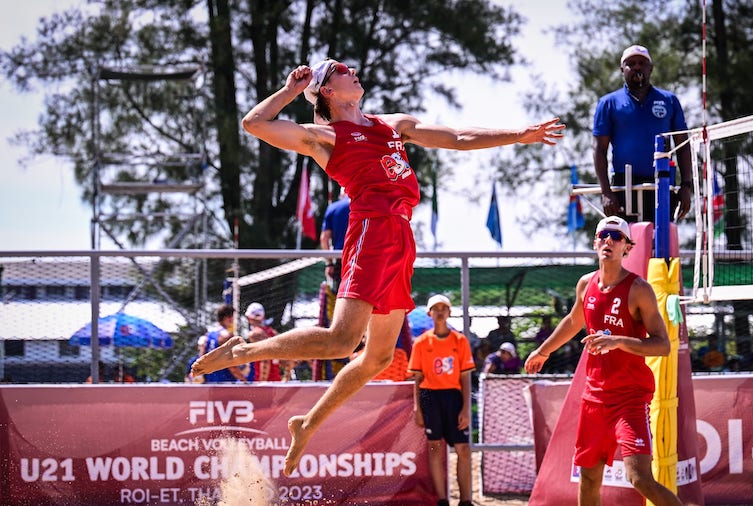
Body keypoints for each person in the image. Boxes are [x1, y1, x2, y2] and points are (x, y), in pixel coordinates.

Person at [191, 58, 565, 476]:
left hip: (401, 237)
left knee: (379, 356)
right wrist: (292, 90)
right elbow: (254, 124)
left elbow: (458, 137)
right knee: (340, 341)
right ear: (327, 91)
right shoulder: (326, 136)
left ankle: (307, 423)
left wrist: (521, 135)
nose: (352, 70)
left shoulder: (392, 124)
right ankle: (242, 350)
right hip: (371, 229)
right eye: (340, 70)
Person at [524, 216, 683, 506]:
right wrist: (543, 351)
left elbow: (662, 346)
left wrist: (619, 340)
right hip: (594, 398)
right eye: (603, 235)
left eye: (616, 236)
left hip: (629, 399)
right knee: (588, 478)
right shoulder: (586, 284)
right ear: (596, 242)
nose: (608, 240)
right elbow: (573, 322)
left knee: (640, 479)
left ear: (627, 248)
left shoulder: (639, 289)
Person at [593, 44, 692, 223]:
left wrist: (686, 185)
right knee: (625, 245)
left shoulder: (669, 101)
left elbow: (683, 146)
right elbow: (600, 149)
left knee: (660, 245)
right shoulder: (608, 103)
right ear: (622, 69)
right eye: (631, 63)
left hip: (662, 184)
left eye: (642, 63)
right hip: (622, 187)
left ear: (651, 68)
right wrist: (606, 192)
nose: (637, 67)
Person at [408, 294, 476, 506]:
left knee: (463, 449)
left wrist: (466, 408)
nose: (439, 311)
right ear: (429, 313)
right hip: (431, 397)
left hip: (453, 397)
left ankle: (466, 500)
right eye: (435, 308)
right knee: (435, 447)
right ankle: (442, 500)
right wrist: (418, 408)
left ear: (449, 312)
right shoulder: (420, 343)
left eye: (443, 308)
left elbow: (465, 377)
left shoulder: (460, 340)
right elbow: (417, 378)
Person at [197, 305, 249, 383]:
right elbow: (231, 364)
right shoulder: (226, 336)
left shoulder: (209, 334)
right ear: (227, 318)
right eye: (233, 317)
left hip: (210, 381)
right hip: (225, 381)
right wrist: (244, 380)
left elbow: (202, 357)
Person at [321, 187, 350, 293]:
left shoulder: (333, 208)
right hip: (365, 258)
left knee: (342, 296)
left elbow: (324, 239)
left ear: (341, 194)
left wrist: (329, 264)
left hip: (340, 258)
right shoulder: (368, 206)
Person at [245, 302, 282, 382]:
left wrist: (262, 384)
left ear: (248, 317)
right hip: (276, 378)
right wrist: (287, 375)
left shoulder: (254, 334)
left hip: (265, 379)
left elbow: (265, 359)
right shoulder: (272, 332)